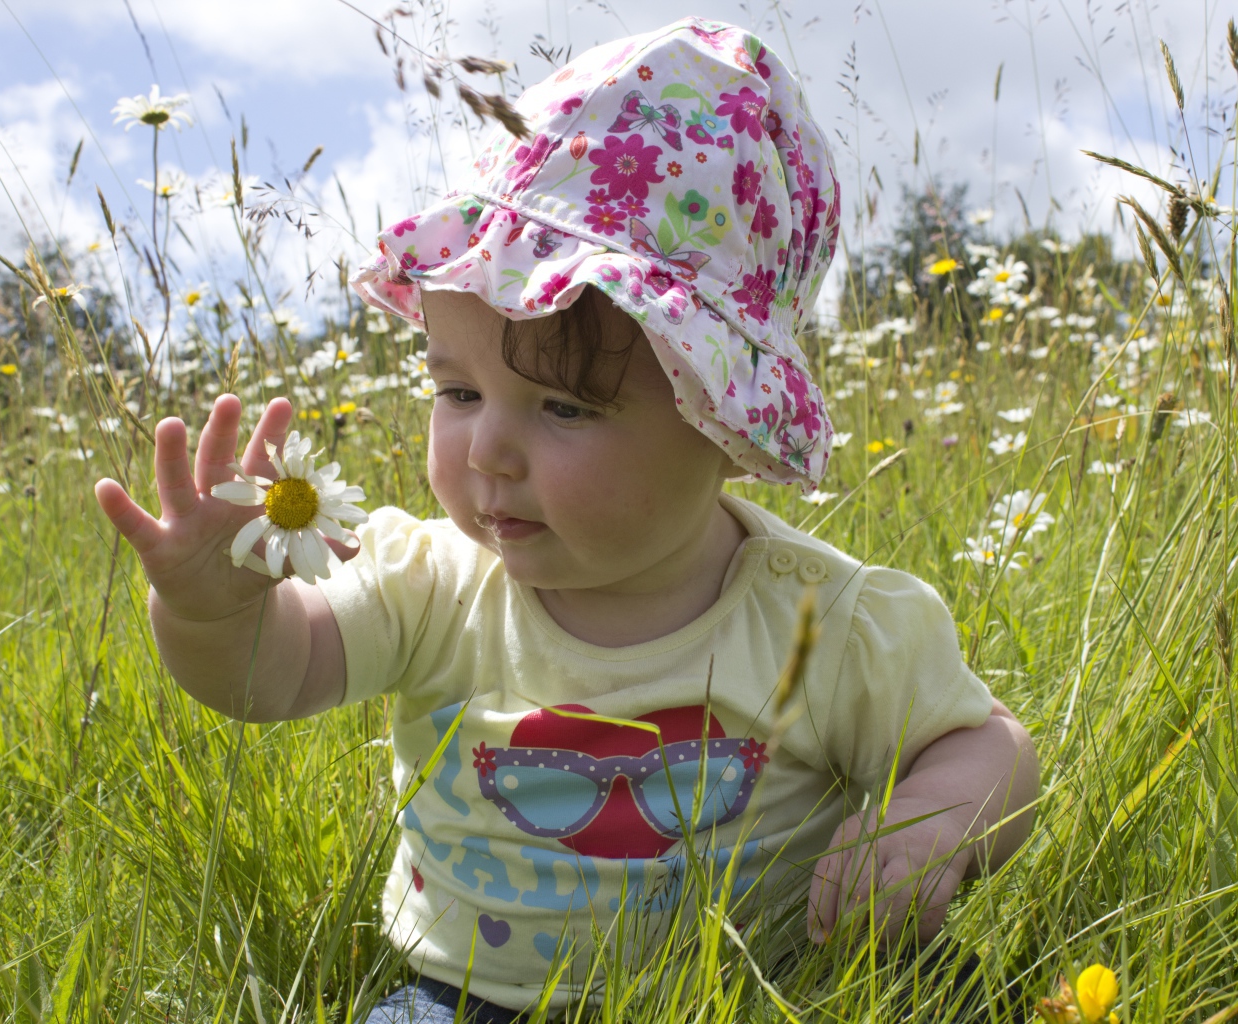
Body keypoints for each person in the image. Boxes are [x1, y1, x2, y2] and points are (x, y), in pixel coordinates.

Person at [94, 17, 1039, 1023]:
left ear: (722, 421)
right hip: (468, 1000)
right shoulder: (432, 582)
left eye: (566, 407)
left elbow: (990, 749)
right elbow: (273, 673)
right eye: (457, 393)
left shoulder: (825, 621)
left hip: (769, 990)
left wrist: (928, 829)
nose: (486, 452)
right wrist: (208, 614)